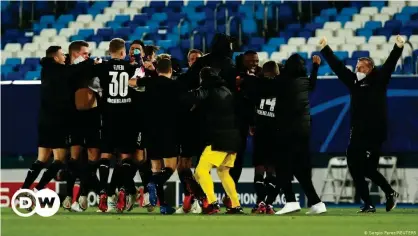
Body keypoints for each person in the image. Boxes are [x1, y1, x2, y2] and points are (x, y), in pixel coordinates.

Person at [319, 35, 404, 213]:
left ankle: (387, 193)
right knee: (358, 167)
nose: (356, 69)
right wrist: (325, 49)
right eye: (356, 67)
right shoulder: (353, 81)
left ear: (370, 68)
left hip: (374, 131)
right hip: (357, 131)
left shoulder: (379, 79)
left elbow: (390, 63)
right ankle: (370, 203)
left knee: (363, 166)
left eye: (360, 67)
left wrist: (398, 47)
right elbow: (338, 67)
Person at [20, 46, 95, 203]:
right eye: (62, 55)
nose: (64, 57)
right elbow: (70, 72)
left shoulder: (46, 70)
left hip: (44, 119)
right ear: (55, 58)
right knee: (59, 158)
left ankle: (24, 191)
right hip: (56, 121)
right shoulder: (58, 70)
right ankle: (36, 190)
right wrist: (90, 62)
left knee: (42, 158)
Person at [272, 54, 326, 215]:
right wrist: (315, 66)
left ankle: (290, 201)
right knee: (299, 168)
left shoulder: (282, 82)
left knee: (282, 166)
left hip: (287, 130)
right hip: (304, 130)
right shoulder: (304, 81)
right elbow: (313, 83)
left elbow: (270, 85)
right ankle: (316, 202)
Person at [186, 67, 244, 215]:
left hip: (219, 138)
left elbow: (194, 96)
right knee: (224, 171)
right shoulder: (226, 90)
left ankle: (212, 203)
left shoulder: (208, 89)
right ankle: (236, 205)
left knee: (200, 171)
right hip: (233, 137)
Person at [93, 38, 141, 213]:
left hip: (107, 118)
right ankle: (126, 190)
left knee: (105, 156)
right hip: (127, 119)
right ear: (123, 52)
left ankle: (103, 193)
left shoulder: (102, 67)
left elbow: (94, 86)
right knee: (125, 157)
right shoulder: (132, 68)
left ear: (109, 51)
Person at [128, 59, 180, 215]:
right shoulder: (175, 85)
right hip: (169, 130)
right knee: (170, 167)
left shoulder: (149, 82)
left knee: (156, 169)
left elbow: (131, 82)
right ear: (170, 70)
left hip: (150, 130)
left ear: (157, 70)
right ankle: (152, 185)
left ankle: (163, 205)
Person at [64, 40, 102, 212]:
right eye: (85, 53)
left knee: (93, 157)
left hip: (93, 117)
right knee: (74, 158)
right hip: (73, 118)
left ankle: (83, 196)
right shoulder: (66, 70)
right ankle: (68, 195)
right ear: (75, 54)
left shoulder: (91, 69)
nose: (88, 56)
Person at [247, 61, 280, 214]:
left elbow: (250, 105)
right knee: (272, 170)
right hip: (275, 133)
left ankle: (259, 202)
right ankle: (268, 204)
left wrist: (251, 124)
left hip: (259, 133)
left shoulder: (255, 85)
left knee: (259, 169)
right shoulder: (282, 87)